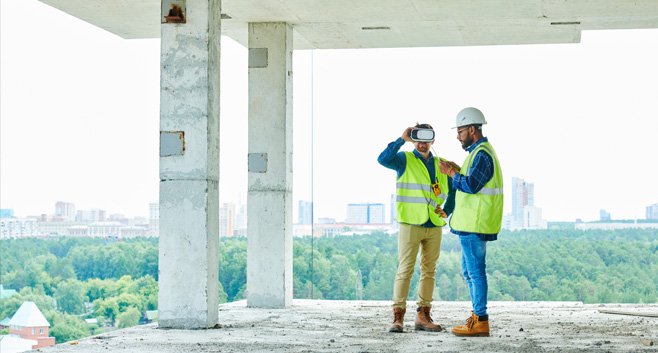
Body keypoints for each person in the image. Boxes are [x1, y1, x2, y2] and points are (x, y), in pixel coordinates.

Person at [377, 123, 455, 333]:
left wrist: (448, 209)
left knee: (429, 271)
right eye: (417, 139)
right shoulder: (404, 159)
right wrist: (402, 139)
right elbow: (383, 159)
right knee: (405, 270)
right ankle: (398, 317)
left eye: (426, 139)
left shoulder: (442, 164)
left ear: (433, 140)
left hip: (434, 225)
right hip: (410, 223)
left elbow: (455, 186)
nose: (422, 144)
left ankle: (423, 315)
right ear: (414, 140)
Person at [439, 107, 503, 337]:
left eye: (460, 131)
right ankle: (476, 316)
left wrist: (450, 173)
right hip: (470, 225)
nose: (458, 136)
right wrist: (457, 171)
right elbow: (470, 181)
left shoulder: (482, 154)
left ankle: (481, 320)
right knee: (469, 272)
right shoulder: (477, 154)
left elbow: (471, 185)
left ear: (472, 129)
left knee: (475, 273)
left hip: (475, 225)